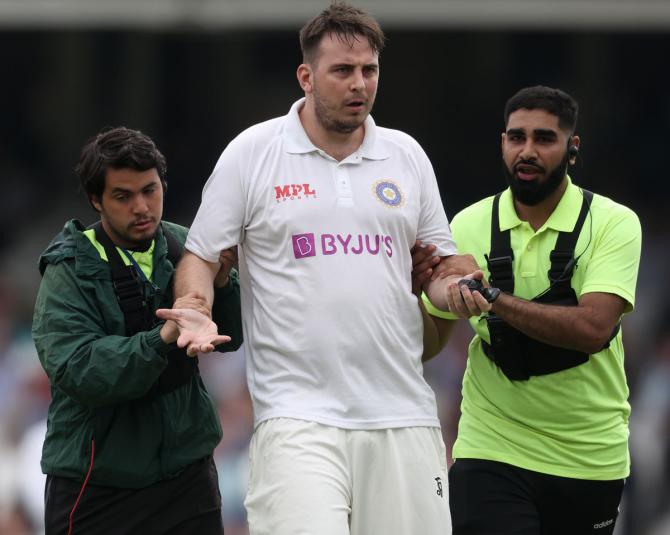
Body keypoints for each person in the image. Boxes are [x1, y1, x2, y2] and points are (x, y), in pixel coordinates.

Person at [156, 3, 475, 534]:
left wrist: (457, 290)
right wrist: (194, 307)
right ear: (306, 76)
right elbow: (202, 256)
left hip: (403, 414)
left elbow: (440, 271)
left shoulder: (406, 155)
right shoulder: (253, 152)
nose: (360, 85)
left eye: (369, 70)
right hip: (297, 418)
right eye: (342, 71)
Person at [421, 85, 642, 534]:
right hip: (491, 447)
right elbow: (428, 344)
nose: (527, 150)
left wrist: (494, 300)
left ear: (572, 148)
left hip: (589, 455)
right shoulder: (467, 225)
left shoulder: (615, 223)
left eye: (544, 139)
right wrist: (416, 288)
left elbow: (593, 328)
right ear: (502, 142)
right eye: (516, 137)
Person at [31, 126, 242, 535]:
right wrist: (162, 338)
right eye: (123, 196)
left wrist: (221, 283)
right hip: (97, 485)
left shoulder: (187, 247)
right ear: (97, 200)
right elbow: (79, 369)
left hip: (187, 477)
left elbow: (233, 337)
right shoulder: (68, 270)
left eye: (150, 190)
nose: (142, 207)